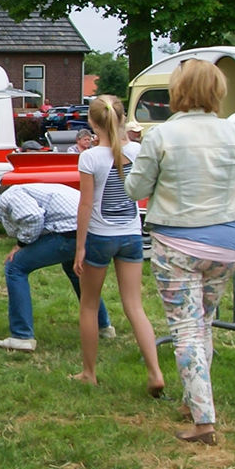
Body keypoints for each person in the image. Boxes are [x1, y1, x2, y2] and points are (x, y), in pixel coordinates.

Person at [124, 59, 235, 446]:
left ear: (177, 90)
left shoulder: (161, 136)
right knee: (203, 323)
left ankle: (203, 420)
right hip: (226, 243)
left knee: (185, 328)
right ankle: (192, 399)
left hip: (177, 243)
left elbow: (136, 190)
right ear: (217, 91)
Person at [72, 95, 166, 394]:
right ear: (123, 118)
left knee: (88, 305)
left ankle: (89, 372)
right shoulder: (137, 151)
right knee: (135, 306)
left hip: (100, 237)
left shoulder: (89, 157)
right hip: (131, 236)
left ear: (91, 123)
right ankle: (154, 371)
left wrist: (79, 247)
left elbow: (86, 205)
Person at [0, 184, 113, 351]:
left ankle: (21, 336)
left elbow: (33, 217)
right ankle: (103, 326)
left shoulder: (8, 196)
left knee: (14, 267)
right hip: (93, 230)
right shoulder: (37, 189)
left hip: (70, 232)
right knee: (74, 269)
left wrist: (21, 244)